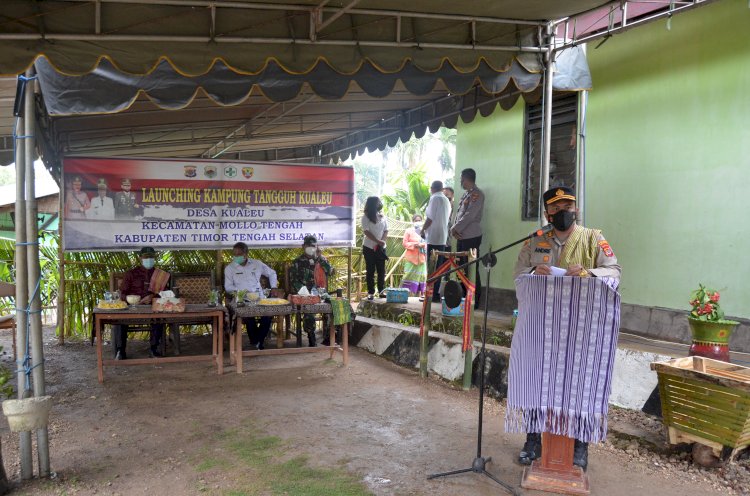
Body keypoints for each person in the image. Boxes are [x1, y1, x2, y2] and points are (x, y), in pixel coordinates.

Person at [513, 185, 621, 470]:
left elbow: (614, 272)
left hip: (580, 329)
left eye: (568, 206)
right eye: (556, 208)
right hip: (543, 329)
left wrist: (589, 272)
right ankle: (533, 440)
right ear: (547, 213)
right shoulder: (535, 241)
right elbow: (518, 275)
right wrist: (534, 272)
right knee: (538, 380)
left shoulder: (593, 239)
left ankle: (579, 445)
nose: (563, 212)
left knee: (580, 383)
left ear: (576, 209)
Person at [115, 246, 170, 359]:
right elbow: (122, 294)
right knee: (120, 318)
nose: (149, 259)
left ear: (155, 259)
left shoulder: (159, 275)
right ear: (140, 258)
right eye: (146, 257)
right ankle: (120, 351)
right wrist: (133, 298)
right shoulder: (131, 274)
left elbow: (166, 294)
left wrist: (153, 296)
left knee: (158, 316)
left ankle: (153, 349)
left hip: (151, 306)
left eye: (151, 257)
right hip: (132, 307)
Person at [224, 242, 278, 350]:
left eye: (239, 254)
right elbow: (228, 287)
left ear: (246, 254)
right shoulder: (230, 268)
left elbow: (272, 273)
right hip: (242, 298)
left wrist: (274, 287)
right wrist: (241, 292)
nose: (236, 257)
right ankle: (255, 341)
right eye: (234, 255)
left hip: (259, 297)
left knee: (267, 315)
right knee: (248, 316)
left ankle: (259, 340)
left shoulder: (257, 264)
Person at [290, 235, 334, 347]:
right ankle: (312, 339)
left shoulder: (321, 259)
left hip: (321, 293)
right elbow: (294, 281)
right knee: (309, 310)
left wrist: (320, 257)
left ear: (317, 246)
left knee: (336, 305)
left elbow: (331, 272)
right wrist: (305, 293)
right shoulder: (297, 262)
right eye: (308, 245)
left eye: (313, 246)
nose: (311, 247)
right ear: (303, 246)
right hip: (305, 294)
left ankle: (331, 337)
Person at [450, 168, 485, 309]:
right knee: (461, 268)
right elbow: (460, 215)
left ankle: (474, 301)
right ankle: (464, 298)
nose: (460, 182)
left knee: (471, 268)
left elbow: (469, 215)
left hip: (471, 236)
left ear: (466, 178)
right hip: (462, 236)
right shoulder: (466, 195)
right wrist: (455, 228)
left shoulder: (477, 194)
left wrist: (455, 228)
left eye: (461, 179)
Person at [421, 181, 451, 302]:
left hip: (433, 236)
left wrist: (423, 229)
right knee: (439, 268)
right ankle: (435, 295)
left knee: (431, 266)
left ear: (432, 188)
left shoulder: (435, 198)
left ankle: (430, 294)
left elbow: (430, 218)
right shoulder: (446, 200)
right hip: (442, 237)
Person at [361, 196, 388, 301]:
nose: (380, 203)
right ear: (373, 204)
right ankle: (370, 292)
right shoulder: (365, 217)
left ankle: (381, 291)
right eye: (378, 202)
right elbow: (366, 231)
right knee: (370, 270)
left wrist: (382, 241)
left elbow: (386, 230)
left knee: (381, 270)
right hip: (369, 248)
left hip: (381, 248)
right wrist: (377, 241)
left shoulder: (382, 216)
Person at [401, 214, 427, 298]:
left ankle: (422, 295)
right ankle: (406, 295)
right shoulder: (408, 231)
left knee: (422, 277)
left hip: (422, 259)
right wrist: (415, 245)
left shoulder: (425, 231)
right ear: (413, 221)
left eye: (419, 220)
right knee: (408, 276)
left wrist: (423, 245)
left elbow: (428, 243)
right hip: (411, 259)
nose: (418, 222)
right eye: (416, 220)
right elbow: (404, 244)